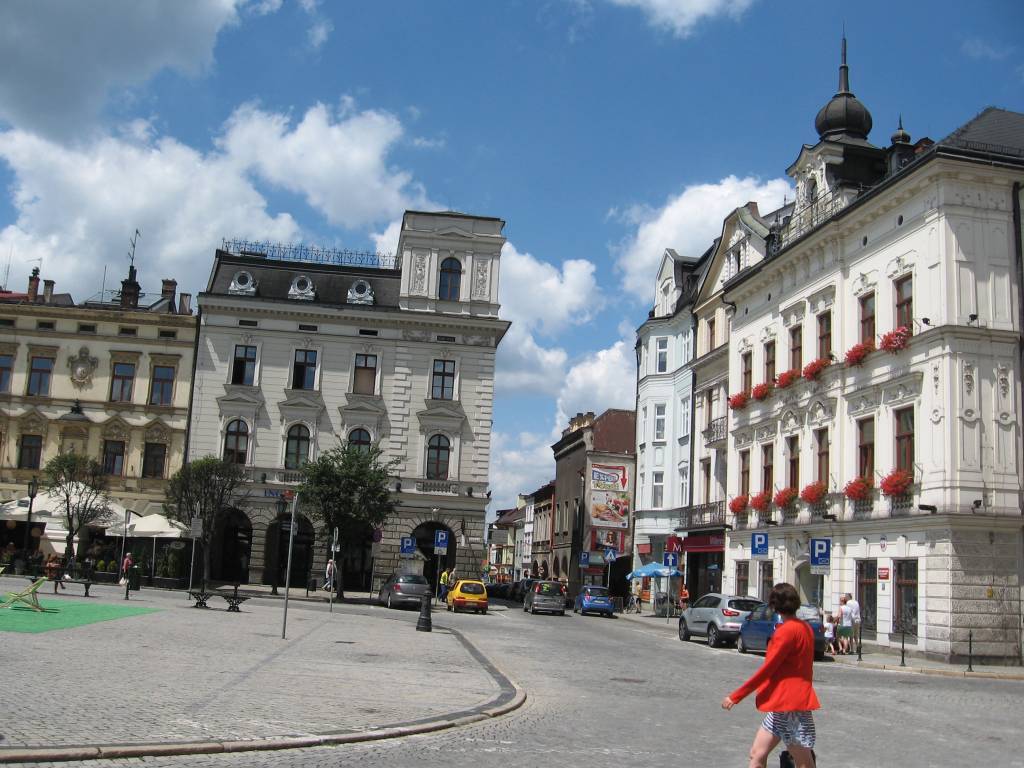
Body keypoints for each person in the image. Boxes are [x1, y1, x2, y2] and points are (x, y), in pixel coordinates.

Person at [722, 582, 820, 768]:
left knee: (804, 764)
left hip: (791, 705)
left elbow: (767, 670)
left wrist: (736, 696)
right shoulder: (805, 628)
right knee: (757, 754)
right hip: (784, 704)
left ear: (774, 605)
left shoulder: (785, 632)